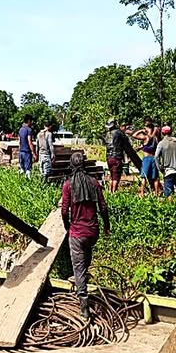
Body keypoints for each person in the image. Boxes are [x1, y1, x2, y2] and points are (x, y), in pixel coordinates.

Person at [61, 152, 110, 319]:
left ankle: (84, 306)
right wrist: (107, 226)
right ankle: (83, 285)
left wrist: (67, 226)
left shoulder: (68, 185)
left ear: (71, 165)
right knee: (85, 261)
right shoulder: (94, 182)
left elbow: (64, 210)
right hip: (93, 232)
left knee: (78, 268)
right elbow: (103, 207)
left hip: (77, 233)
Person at [155, 126, 176, 197]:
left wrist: (160, 168)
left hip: (168, 171)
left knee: (169, 193)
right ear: (171, 132)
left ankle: (171, 203)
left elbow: (156, 156)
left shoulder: (161, 143)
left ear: (162, 133)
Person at [132, 123, 161, 196]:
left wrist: (141, 130)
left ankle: (142, 193)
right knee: (155, 177)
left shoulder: (146, 137)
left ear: (149, 128)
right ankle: (156, 193)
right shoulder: (156, 138)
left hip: (147, 159)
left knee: (144, 177)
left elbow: (134, 135)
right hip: (154, 158)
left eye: (146, 128)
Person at [104, 119, 129, 193]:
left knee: (111, 175)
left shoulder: (107, 134)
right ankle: (114, 192)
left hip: (109, 157)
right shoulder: (119, 132)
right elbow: (126, 140)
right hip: (116, 157)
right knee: (116, 177)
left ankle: (109, 191)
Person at [19, 114, 37, 179]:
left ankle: (19, 179)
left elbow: (19, 141)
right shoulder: (29, 130)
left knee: (22, 168)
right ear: (29, 121)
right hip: (27, 152)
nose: (32, 122)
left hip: (21, 151)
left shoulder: (21, 129)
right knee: (28, 169)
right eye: (31, 121)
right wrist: (34, 153)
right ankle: (28, 181)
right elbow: (30, 142)